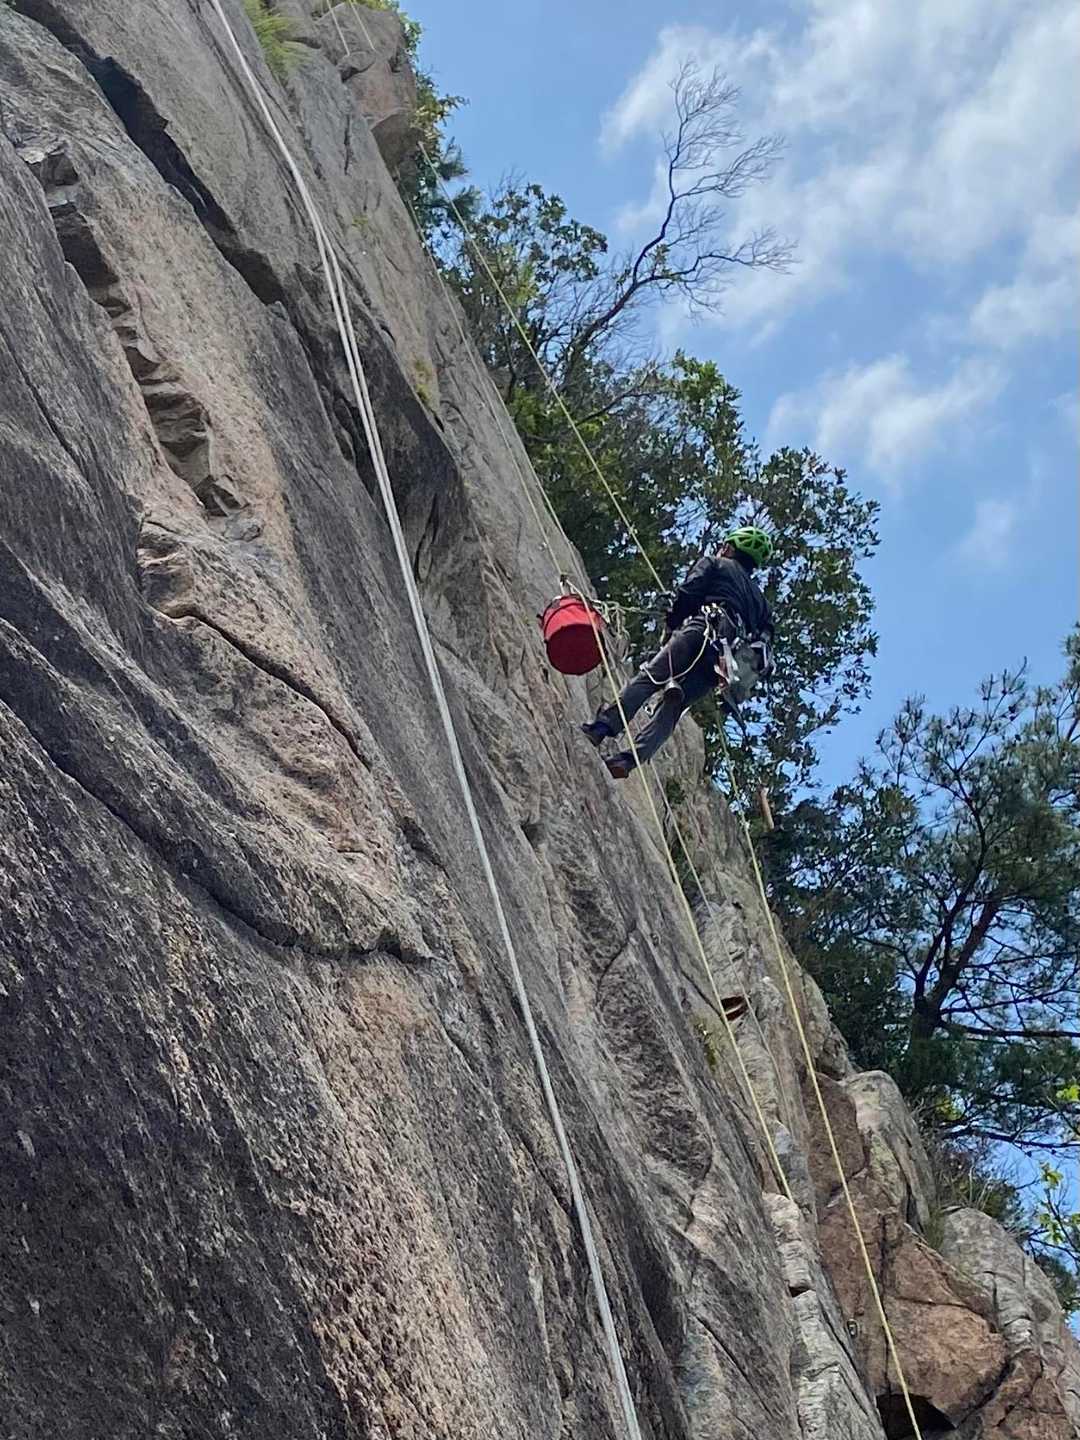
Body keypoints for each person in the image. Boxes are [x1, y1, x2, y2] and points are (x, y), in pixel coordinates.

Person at [581, 526, 774, 779]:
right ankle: (627, 761)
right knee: (674, 706)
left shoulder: (716, 563)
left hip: (702, 629)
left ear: (729, 548)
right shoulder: (762, 605)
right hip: (724, 661)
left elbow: (689, 592)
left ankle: (601, 728)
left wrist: (672, 623)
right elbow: (765, 640)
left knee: (651, 678)